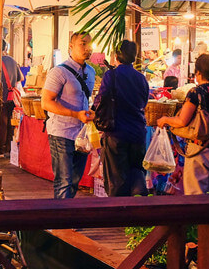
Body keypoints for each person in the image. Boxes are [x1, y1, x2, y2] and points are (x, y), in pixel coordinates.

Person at [157, 54, 209, 195]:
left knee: (195, 196)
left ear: (198, 72)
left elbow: (182, 120)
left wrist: (165, 120)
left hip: (199, 149)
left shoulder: (196, 92)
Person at [41, 32, 96, 199]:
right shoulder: (59, 72)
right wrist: (74, 114)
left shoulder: (91, 72)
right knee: (64, 180)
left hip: (81, 135)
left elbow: (86, 99)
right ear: (70, 46)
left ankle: (67, 219)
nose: (87, 48)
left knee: (75, 180)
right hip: (61, 132)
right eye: (82, 44)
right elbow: (46, 102)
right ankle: (60, 222)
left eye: (89, 44)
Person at [92, 40, 149, 197]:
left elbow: (100, 100)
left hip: (117, 133)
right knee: (137, 173)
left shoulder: (111, 75)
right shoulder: (141, 78)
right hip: (138, 133)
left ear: (116, 55)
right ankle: (137, 213)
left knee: (117, 181)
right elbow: (144, 102)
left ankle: (120, 215)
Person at [0, 39, 23, 155]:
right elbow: (19, 78)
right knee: (10, 124)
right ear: (5, 47)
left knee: (0, 124)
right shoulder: (12, 60)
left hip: (1, 97)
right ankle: (9, 149)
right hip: (12, 97)